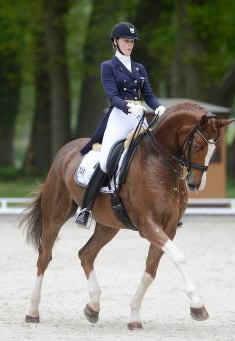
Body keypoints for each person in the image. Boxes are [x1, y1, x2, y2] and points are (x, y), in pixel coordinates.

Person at [75, 21, 166, 228]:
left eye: (132, 41)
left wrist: (158, 107)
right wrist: (128, 107)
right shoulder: (108, 67)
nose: (130, 44)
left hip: (139, 118)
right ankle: (86, 208)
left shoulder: (139, 68)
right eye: (126, 41)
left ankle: (162, 206)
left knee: (156, 154)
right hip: (119, 117)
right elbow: (112, 96)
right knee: (107, 161)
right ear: (115, 42)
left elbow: (149, 95)